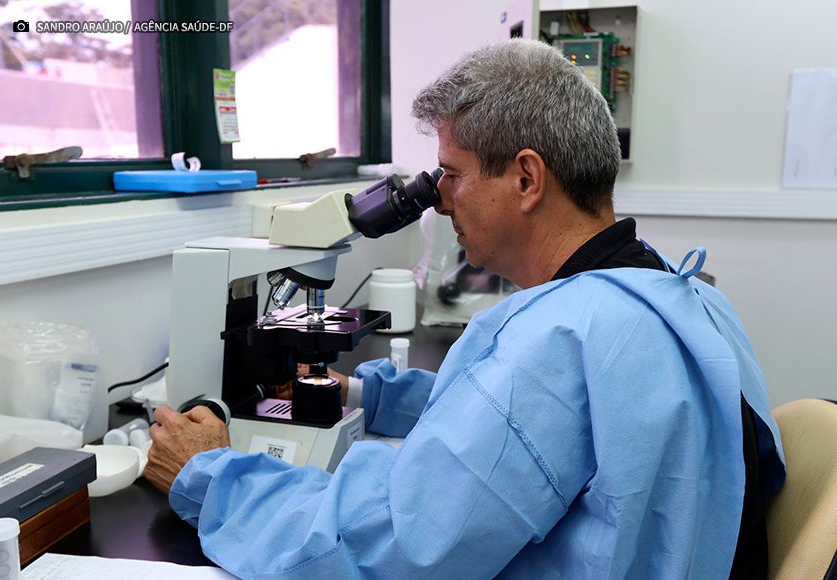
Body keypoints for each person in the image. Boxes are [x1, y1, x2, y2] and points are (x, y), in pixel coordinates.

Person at [145, 39, 785, 579]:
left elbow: (388, 547)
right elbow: (557, 425)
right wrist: (373, 396)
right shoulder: (678, 290)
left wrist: (210, 474)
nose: (441, 200)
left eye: (451, 174)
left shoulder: (560, 338)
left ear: (526, 180)